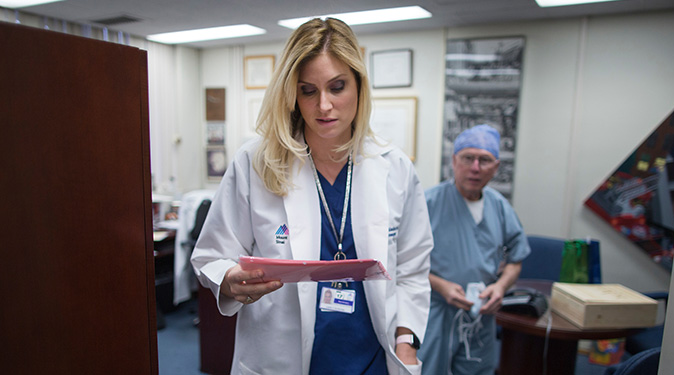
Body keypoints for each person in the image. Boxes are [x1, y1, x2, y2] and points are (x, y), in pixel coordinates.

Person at [191, 17, 433, 375]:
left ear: (359, 86)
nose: (324, 106)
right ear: (292, 94)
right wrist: (229, 279)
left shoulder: (394, 167)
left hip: (373, 362)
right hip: (280, 361)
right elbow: (211, 254)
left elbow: (414, 268)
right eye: (308, 90)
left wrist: (406, 343)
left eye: (337, 87)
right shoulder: (255, 162)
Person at [417, 124, 530, 375]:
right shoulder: (427, 203)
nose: (475, 167)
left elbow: (516, 258)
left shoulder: (499, 207)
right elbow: (401, 263)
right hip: (434, 313)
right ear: (454, 161)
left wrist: (500, 287)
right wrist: (440, 285)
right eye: (468, 158)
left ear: (496, 167)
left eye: (485, 160)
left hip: (480, 316)